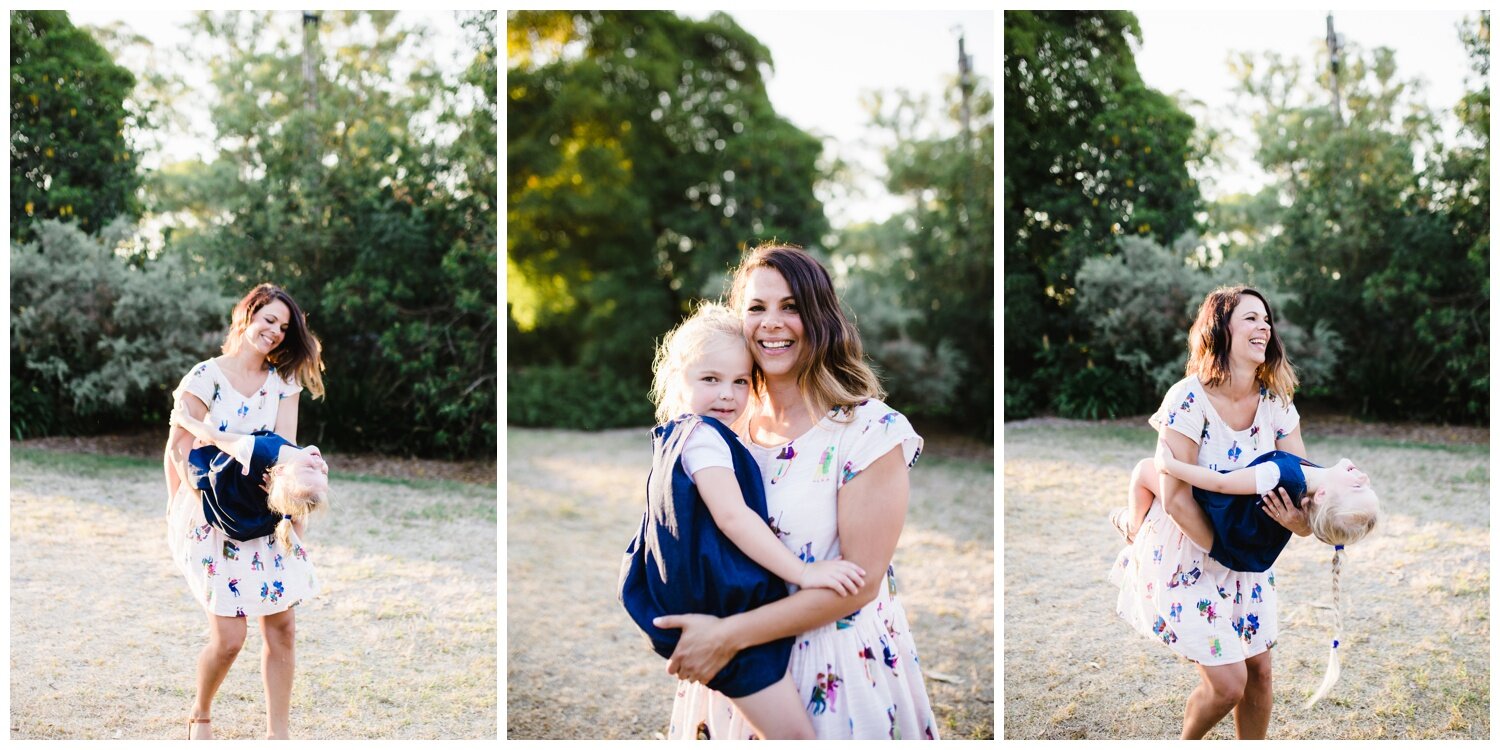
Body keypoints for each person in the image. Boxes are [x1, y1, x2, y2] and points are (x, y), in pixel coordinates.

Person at [655, 244, 937, 740]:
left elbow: (860, 586)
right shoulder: (725, 419)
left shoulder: (868, 431)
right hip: (740, 670)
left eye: (791, 306)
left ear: (820, 316)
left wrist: (725, 637)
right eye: (757, 308)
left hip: (832, 662)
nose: (772, 323)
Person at [620, 302, 867, 740]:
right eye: (710, 379)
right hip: (721, 611)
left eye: (740, 381)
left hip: (705, 604)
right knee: (795, 739)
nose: (728, 395)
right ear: (678, 381)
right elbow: (734, 518)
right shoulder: (705, 440)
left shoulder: (679, 438)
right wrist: (804, 572)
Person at [1110, 286, 1312, 739]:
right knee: (1227, 684)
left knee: (1259, 672)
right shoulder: (1188, 399)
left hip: (1247, 555)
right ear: (1220, 330)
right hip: (1190, 550)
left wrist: (1299, 524)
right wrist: (1227, 551)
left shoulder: (1277, 404)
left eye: (1266, 320)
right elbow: (1177, 497)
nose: (1264, 327)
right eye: (1250, 319)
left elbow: (1302, 488)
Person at [164, 283, 326, 740]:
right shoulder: (204, 377)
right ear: (246, 316)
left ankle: (278, 736)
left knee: (283, 629)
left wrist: (294, 506)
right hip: (213, 516)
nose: (274, 332)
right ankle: (201, 713)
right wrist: (183, 505)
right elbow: (177, 448)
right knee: (230, 639)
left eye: (283, 327)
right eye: (268, 319)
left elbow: (285, 449)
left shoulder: (283, 383)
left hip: (266, 515)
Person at [1119, 438, 1379, 706]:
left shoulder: (1280, 474)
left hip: (1217, 523)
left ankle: (1131, 527)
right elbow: (1312, 521)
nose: (1363, 475)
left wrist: (1170, 465)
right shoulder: (1312, 489)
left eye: (1358, 485)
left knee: (1144, 470)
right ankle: (1132, 526)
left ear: (1322, 495)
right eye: (1365, 484)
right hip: (1245, 550)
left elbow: (1219, 484)